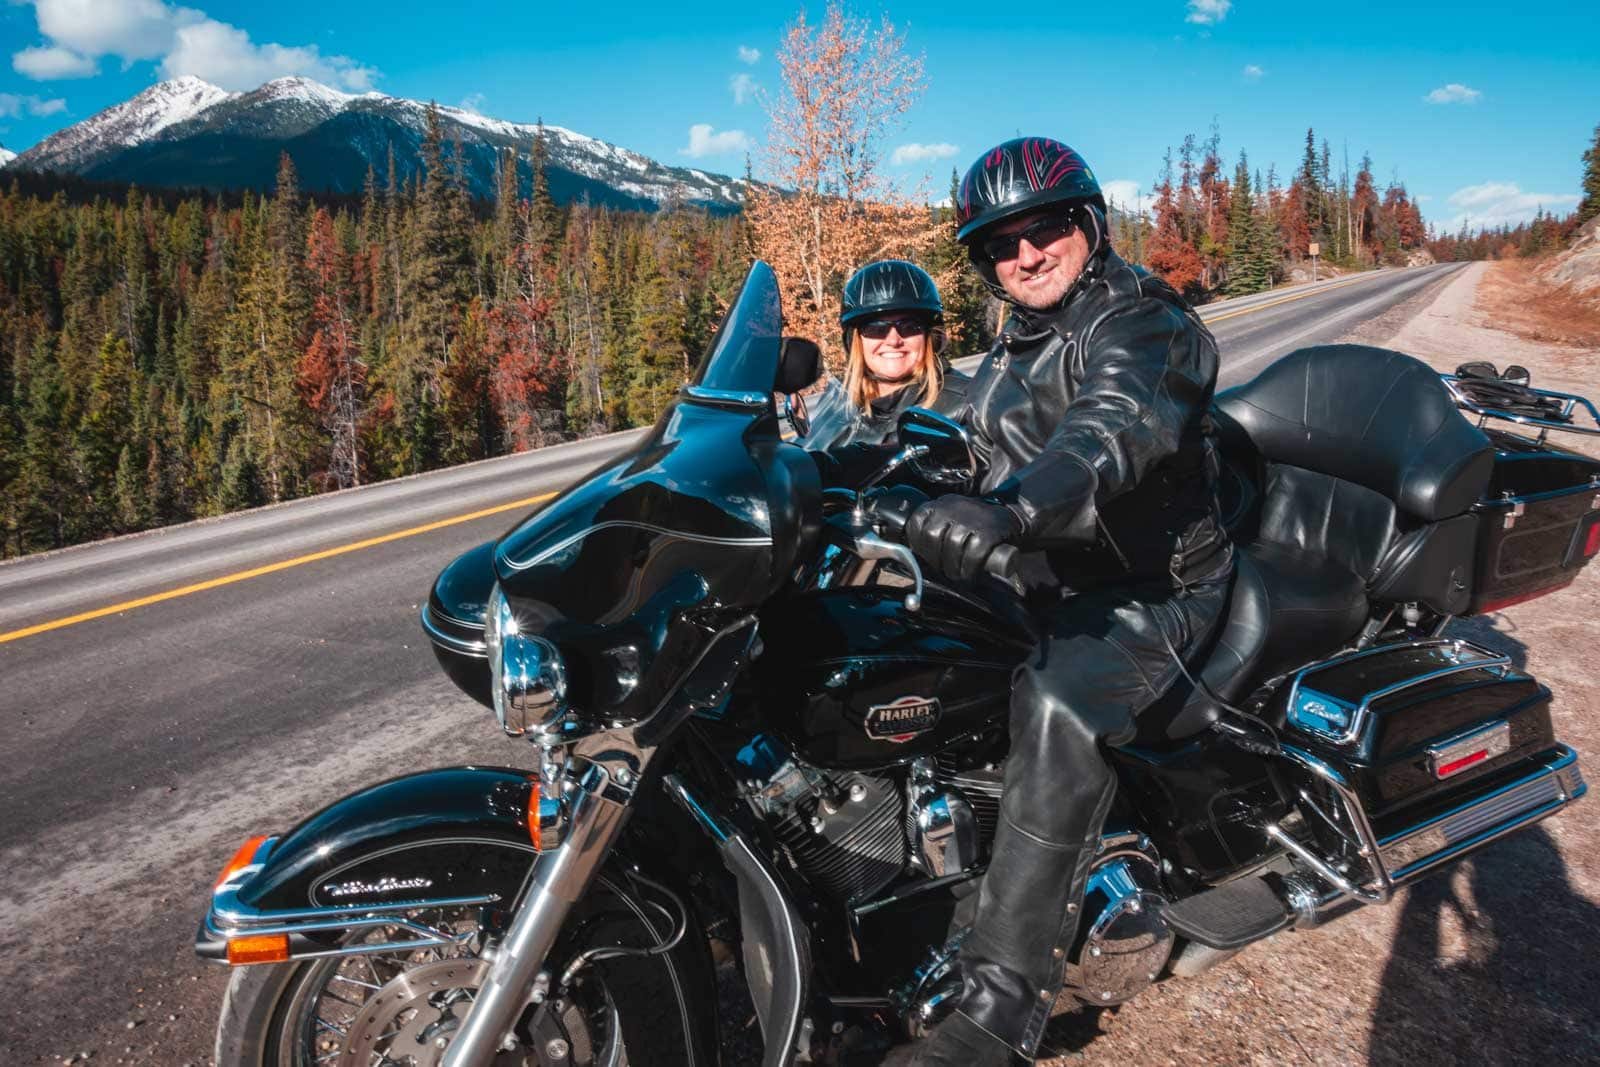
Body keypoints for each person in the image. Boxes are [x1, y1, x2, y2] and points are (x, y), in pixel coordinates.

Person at [893, 137, 1234, 1064]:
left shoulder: (1145, 323)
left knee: (1054, 701)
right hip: (1052, 572)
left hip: (1154, 586)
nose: (1026, 254)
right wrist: (839, 472)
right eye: (1000, 244)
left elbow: (1108, 431)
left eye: (1043, 229)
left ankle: (996, 1009)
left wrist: (1010, 509)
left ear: (1088, 224)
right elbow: (965, 438)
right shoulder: (1020, 339)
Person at [802, 259, 969, 450]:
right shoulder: (839, 397)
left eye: (909, 327)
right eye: (876, 328)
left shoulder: (965, 406)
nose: (893, 340)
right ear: (854, 341)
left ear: (930, 337)